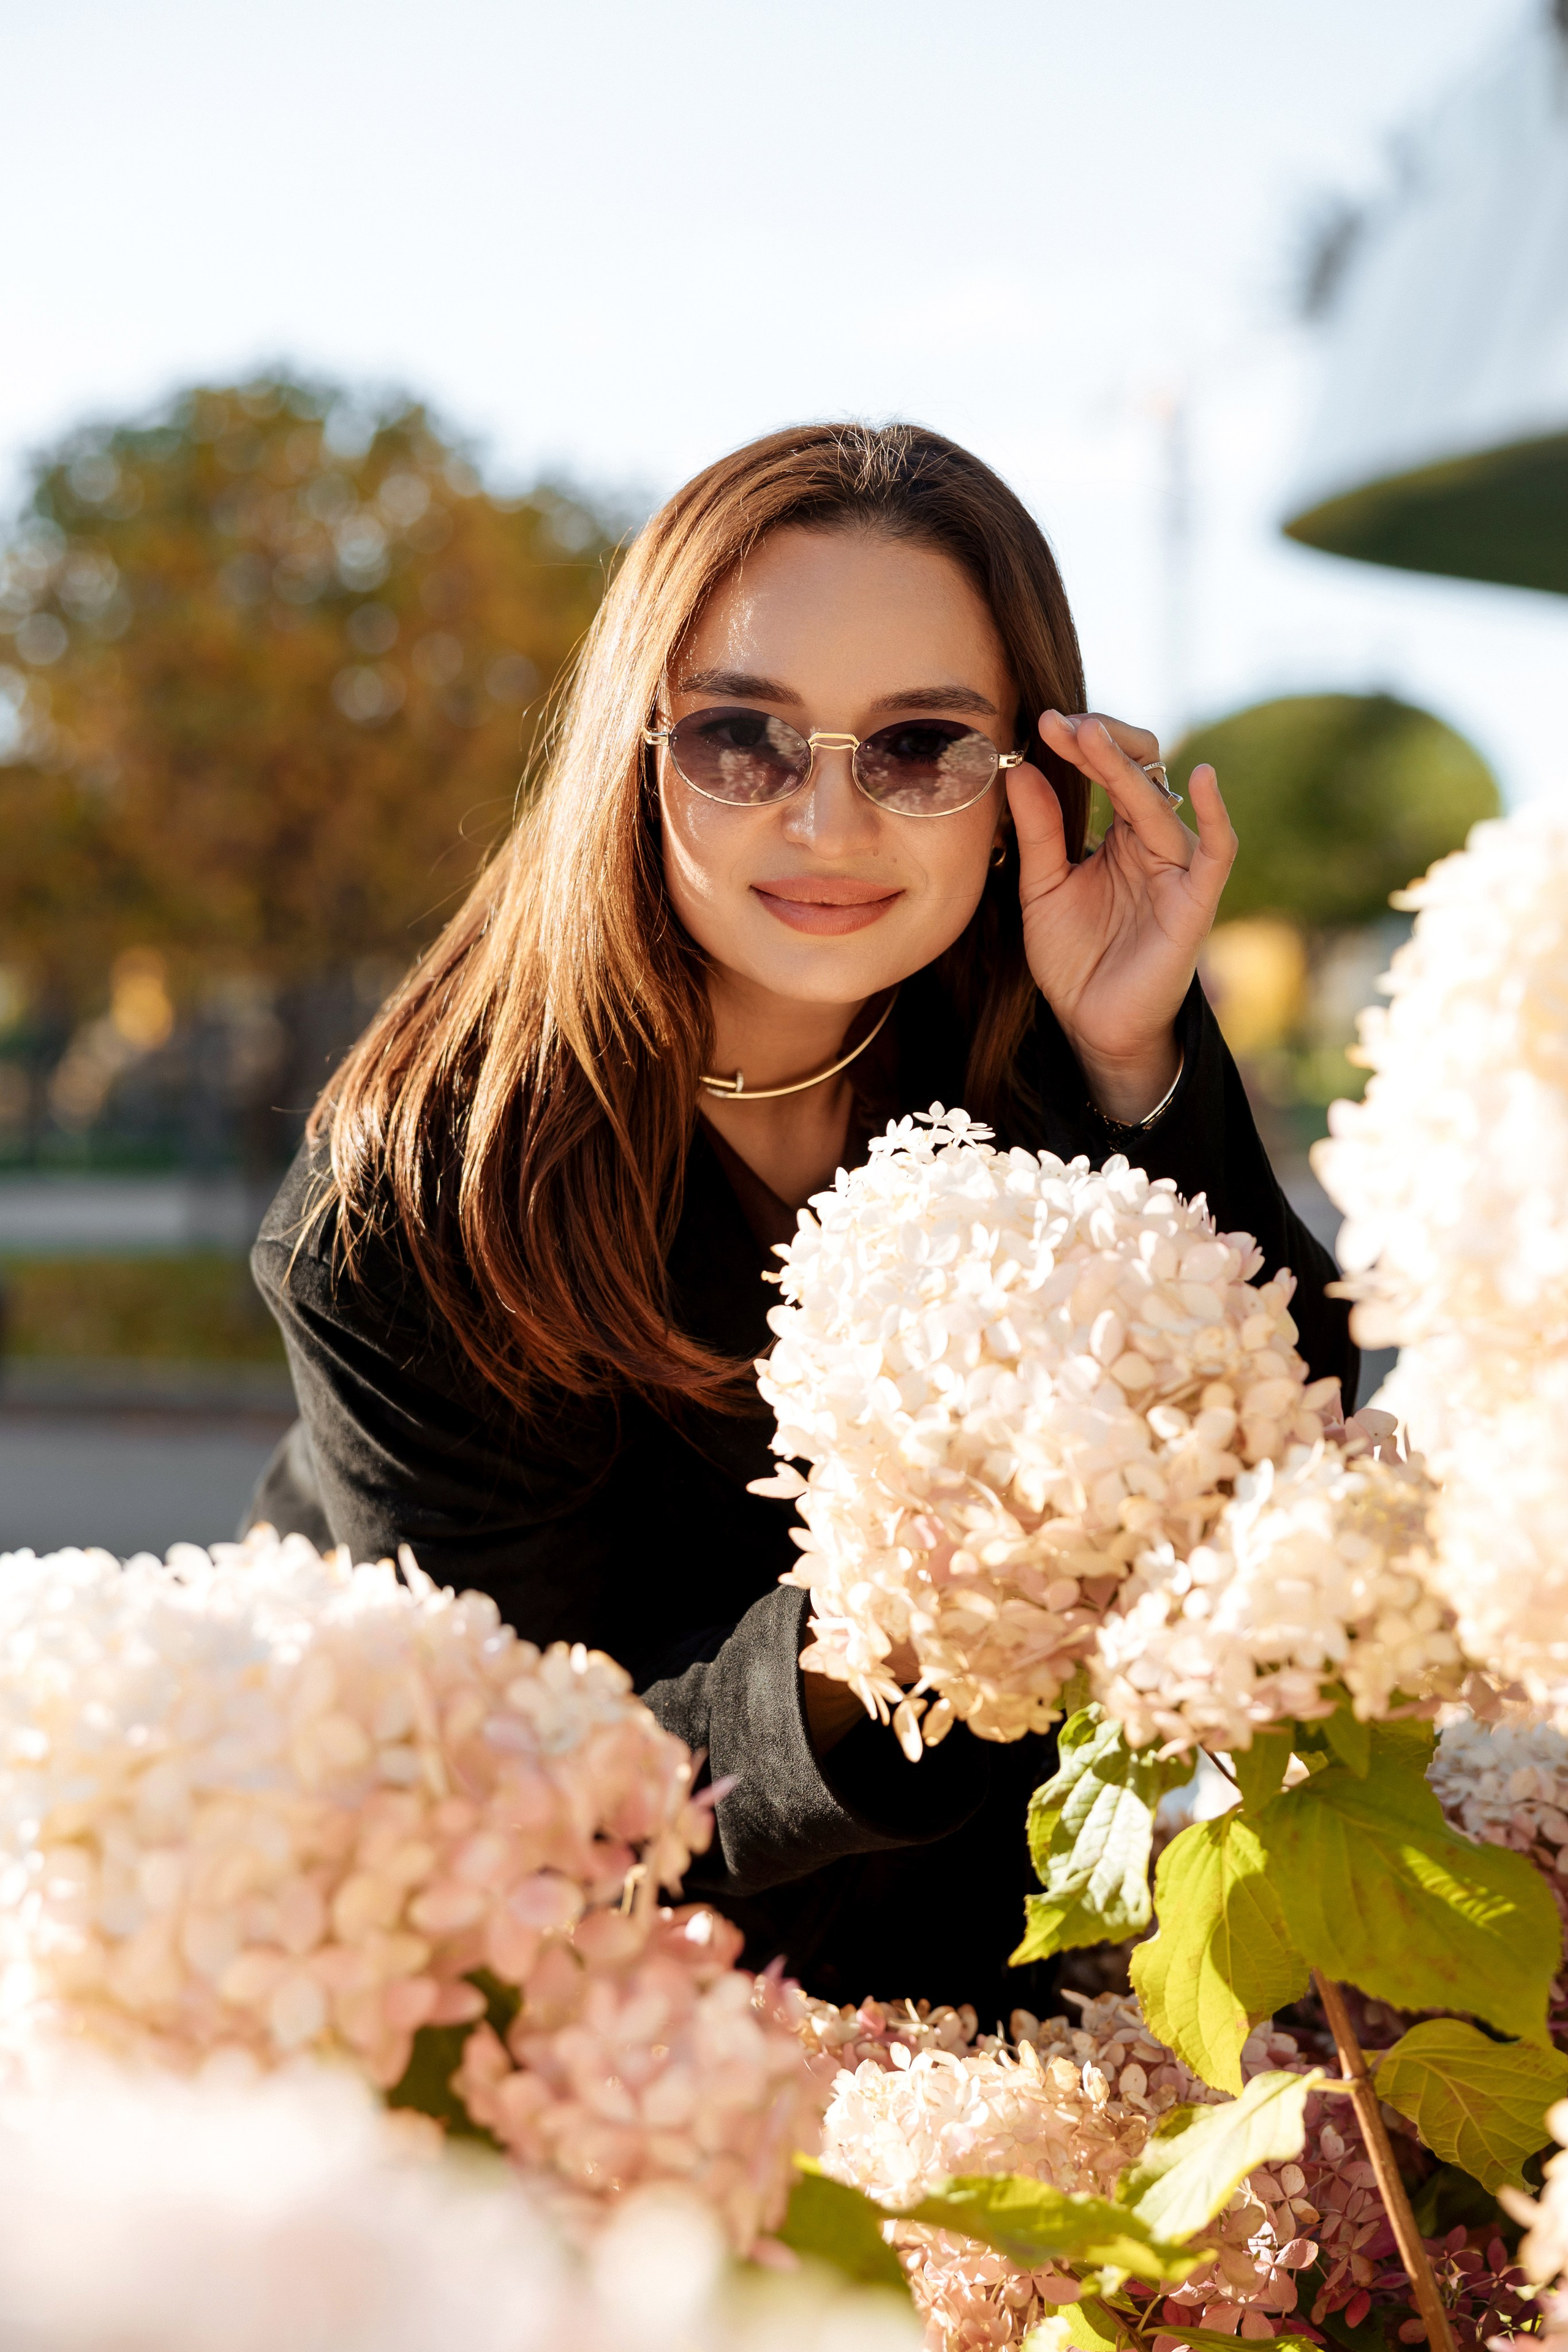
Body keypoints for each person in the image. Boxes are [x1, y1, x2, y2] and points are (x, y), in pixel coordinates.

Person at [249, 421, 1354, 2027]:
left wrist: (1134, 1058)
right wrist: (900, 1616)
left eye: (917, 748)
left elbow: (1299, 1428)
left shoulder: (1054, 1032)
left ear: (1017, 784)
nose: (831, 825)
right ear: (637, 751)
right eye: (743, 739)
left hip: (1010, 1994)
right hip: (588, 2036)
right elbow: (534, 1798)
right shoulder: (419, 1195)